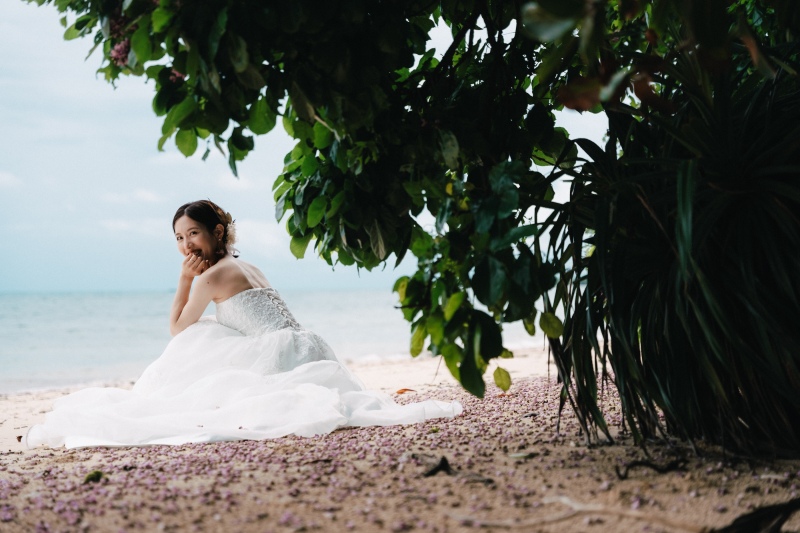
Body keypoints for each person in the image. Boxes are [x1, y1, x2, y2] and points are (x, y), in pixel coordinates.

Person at [25, 200, 462, 448]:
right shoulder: (248, 266)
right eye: (178, 238)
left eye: (193, 234)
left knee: (195, 337)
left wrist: (183, 279)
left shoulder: (211, 276)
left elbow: (177, 327)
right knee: (214, 332)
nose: (185, 245)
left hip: (277, 354)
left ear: (217, 232)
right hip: (309, 346)